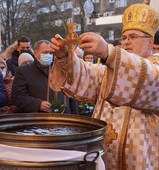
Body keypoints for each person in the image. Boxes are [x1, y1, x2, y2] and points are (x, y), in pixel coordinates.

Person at [49, 3, 159, 170]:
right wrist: (65, 58)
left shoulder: (155, 67)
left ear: (150, 42)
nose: (127, 42)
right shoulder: (113, 68)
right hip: (104, 154)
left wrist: (110, 53)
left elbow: (147, 77)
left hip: (141, 159)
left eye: (133, 37)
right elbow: (89, 75)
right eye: (124, 38)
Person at [12, 40, 79, 114]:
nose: (48, 55)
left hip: (64, 119)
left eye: (51, 53)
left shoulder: (61, 69)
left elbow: (71, 96)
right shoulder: (24, 71)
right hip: (40, 119)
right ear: (35, 53)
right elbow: (17, 97)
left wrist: (75, 117)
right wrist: (38, 104)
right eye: (45, 52)